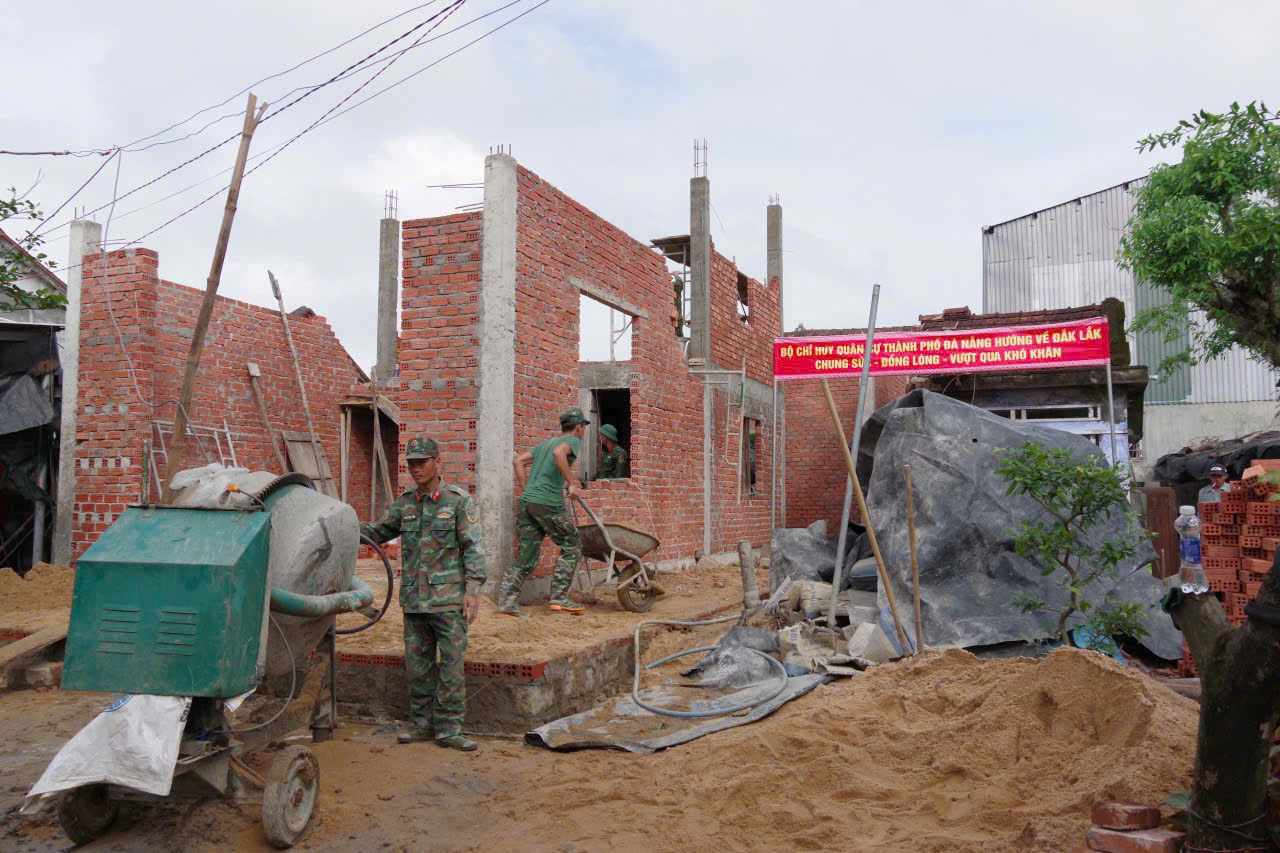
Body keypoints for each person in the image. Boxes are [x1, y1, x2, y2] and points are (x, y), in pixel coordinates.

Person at [361, 437, 485, 752]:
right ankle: (421, 723)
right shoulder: (405, 504)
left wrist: (472, 591)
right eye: (411, 463)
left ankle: (449, 728)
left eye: (422, 462)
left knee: (452, 666)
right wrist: (347, 525)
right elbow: (378, 532)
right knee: (418, 667)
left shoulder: (457, 502)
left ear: (437, 462)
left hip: (448, 601)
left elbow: (472, 547)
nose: (416, 469)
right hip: (414, 601)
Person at [499, 408, 590, 616]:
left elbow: (518, 461)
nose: (583, 430)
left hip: (528, 503)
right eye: (583, 427)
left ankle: (507, 601)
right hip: (548, 502)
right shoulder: (573, 441)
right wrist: (572, 482)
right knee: (572, 543)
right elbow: (559, 454)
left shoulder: (545, 444)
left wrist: (526, 489)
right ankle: (559, 597)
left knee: (527, 555)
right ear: (578, 427)